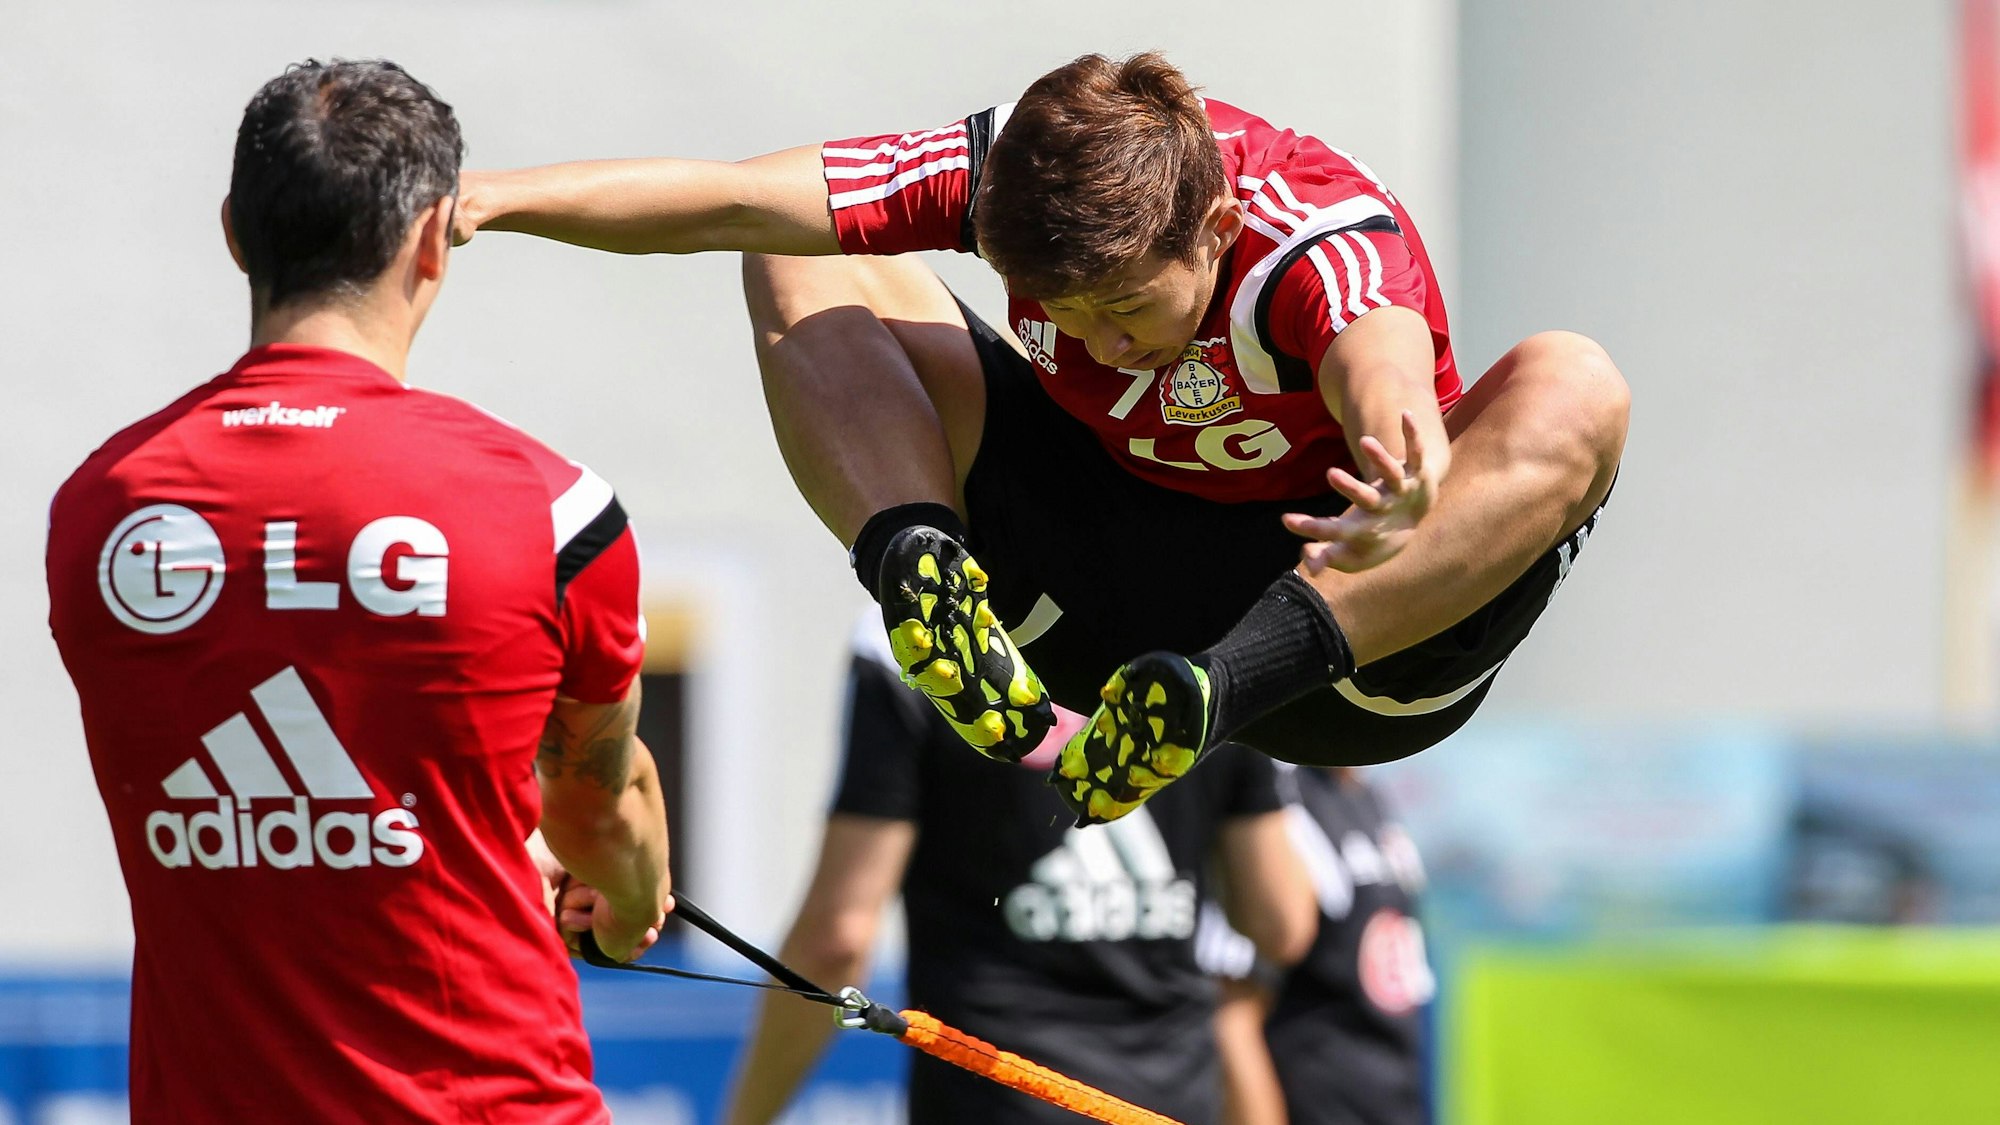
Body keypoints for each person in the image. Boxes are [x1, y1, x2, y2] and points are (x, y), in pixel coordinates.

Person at [455, 51, 1628, 826]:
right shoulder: (1007, 173)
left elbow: (1384, 372)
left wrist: (1399, 477)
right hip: (1112, 614)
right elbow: (729, 198)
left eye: (1125, 308)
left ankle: (1213, 694)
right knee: (796, 254)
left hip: (1356, 642)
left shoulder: (1314, 238)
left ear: (1215, 226)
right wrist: (482, 199)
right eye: (1058, 312)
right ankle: (917, 569)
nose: (1100, 346)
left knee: (1575, 382)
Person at [44, 60, 673, 1123]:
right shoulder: (554, 508)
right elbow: (594, 808)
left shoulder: (99, 508)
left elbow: (298, 790)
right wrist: (626, 899)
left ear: (235, 234)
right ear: (432, 240)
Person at [721, 616, 1317, 1124]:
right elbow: (1281, 922)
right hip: (1164, 1102)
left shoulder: (915, 627)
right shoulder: (1213, 628)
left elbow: (838, 938)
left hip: (996, 1097)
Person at [1200, 766, 1434, 1125]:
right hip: (1314, 1103)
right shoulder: (1280, 802)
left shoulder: (1367, 795)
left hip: (1393, 1102)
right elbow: (1233, 1012)